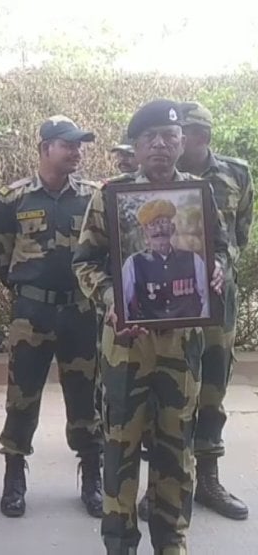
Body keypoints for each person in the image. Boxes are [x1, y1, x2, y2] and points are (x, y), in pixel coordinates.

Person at [73, 99, 228, 555]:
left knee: (176, 447)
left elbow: (221, 248)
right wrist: (109, 298)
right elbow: (85, 262)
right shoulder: (111, 195)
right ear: (136, 147)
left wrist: (218, 267)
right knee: (120, 446)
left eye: (169, 137)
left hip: (182, 347)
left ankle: (172, 540)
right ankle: (119, 542)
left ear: (182, 143)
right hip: (126, 346)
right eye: (149, 138)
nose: (160, 145)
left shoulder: (200, 195)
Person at [137, 101, 253, 521]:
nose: (170, 142)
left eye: (180, 135)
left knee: (212, 390)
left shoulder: (235, 173)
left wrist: (220, 266)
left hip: (216, 299)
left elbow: (237, 234)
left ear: (199, 138)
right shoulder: (153, 180)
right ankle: (160, 487)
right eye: (169, 134)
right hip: (167, 300)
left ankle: (207, 479)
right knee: (162, 388)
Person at [0, 115, 103, 519]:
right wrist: (29, 289)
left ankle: (93, 477)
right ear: (44, 149)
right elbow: (0, 254)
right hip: (32, 312)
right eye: (68, 144)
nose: (77, 151)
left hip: (81, 310)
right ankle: (14, 478)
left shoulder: (94, 195)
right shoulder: (13, 198)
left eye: (79, 145)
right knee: (22, 396)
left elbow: (104, 251)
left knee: (87, 398)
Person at [122, 199, 209, 321]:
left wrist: (199, 324)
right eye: (152, 224)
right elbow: (121, 304)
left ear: (172, 228)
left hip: (187, 334)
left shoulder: (193, 259)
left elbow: (208, 298)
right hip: (147, 335)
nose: (159, 230)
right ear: (145, 233)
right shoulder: (133, 263)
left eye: (163, 222)